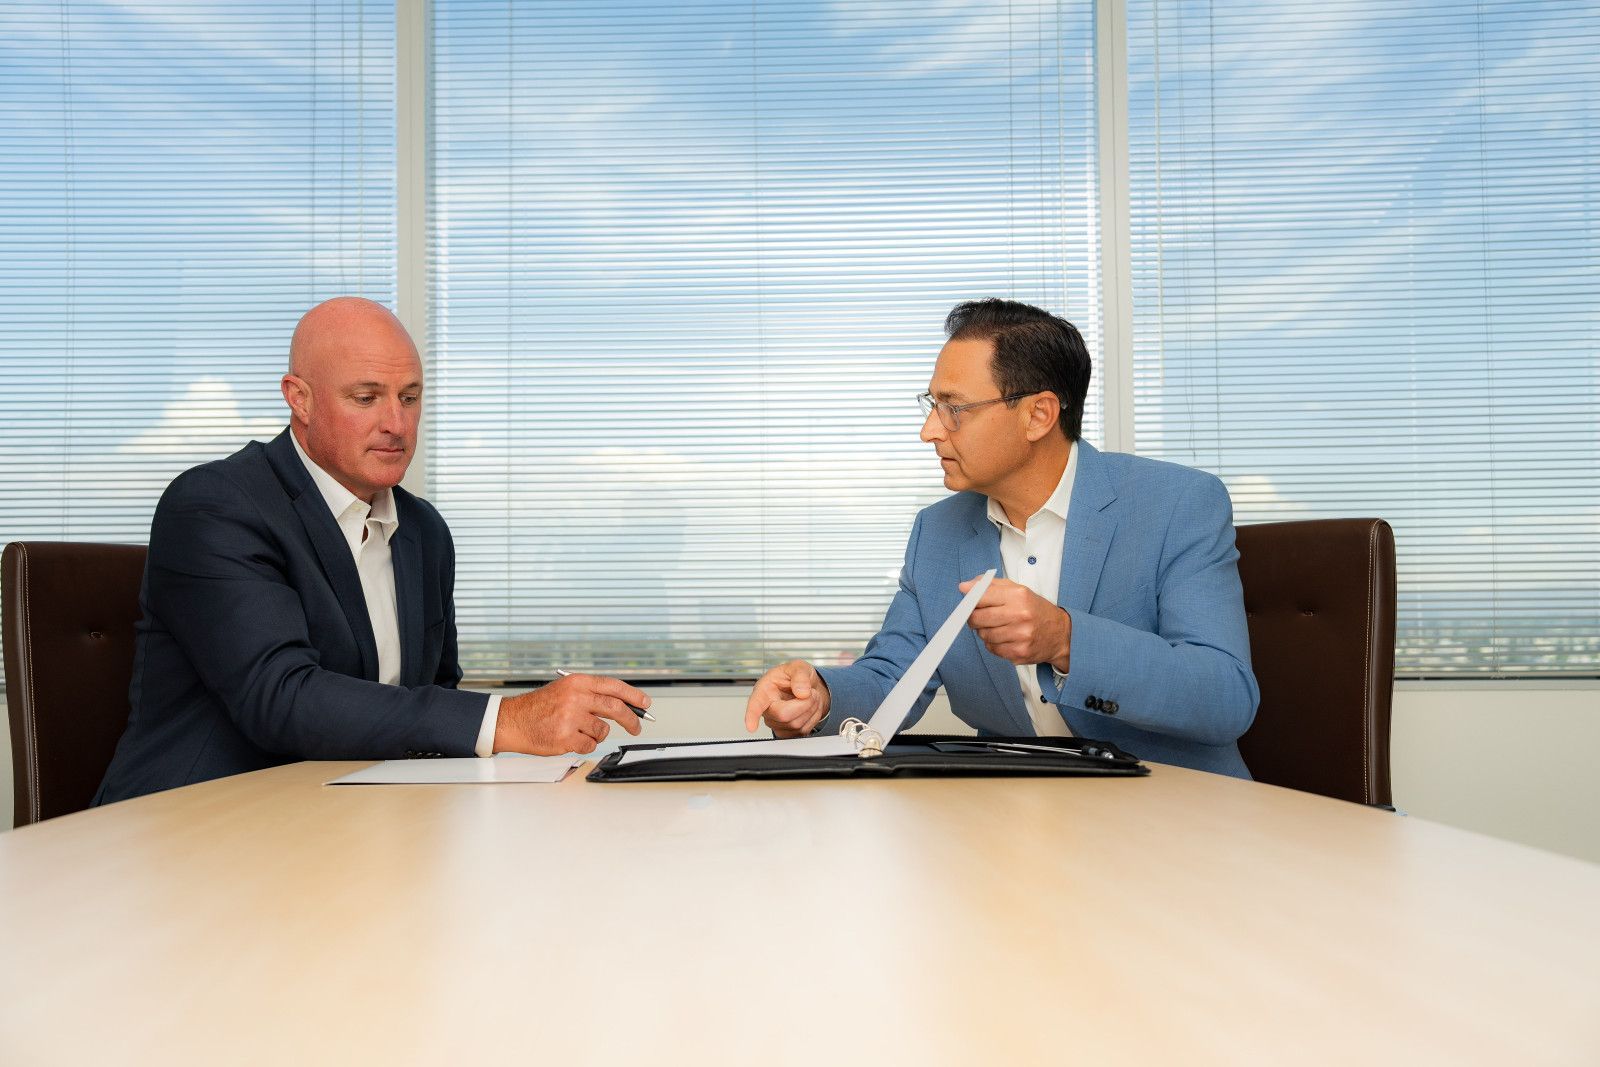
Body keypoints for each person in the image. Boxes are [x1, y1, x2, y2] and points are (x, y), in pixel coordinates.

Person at [95, 297, 649, 804]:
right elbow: (280, 698)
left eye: (410, 398)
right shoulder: (216, 504)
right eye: (366, 398)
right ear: (299, 399)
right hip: (197, 820)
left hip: (354, 818)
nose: (396, 424)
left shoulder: (424, 530)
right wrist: (510, 719)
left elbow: (431, 699)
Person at [743, 298, 1259, 776]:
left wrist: (1065, 640)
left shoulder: (1178, 503)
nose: (929, 430)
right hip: (1013, 808)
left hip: (1171, 804)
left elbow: (1226, 697)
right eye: (932, 404)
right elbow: (892, 677)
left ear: (1038, 414)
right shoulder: (937, 531)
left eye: (954, 408)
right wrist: (820, 698)